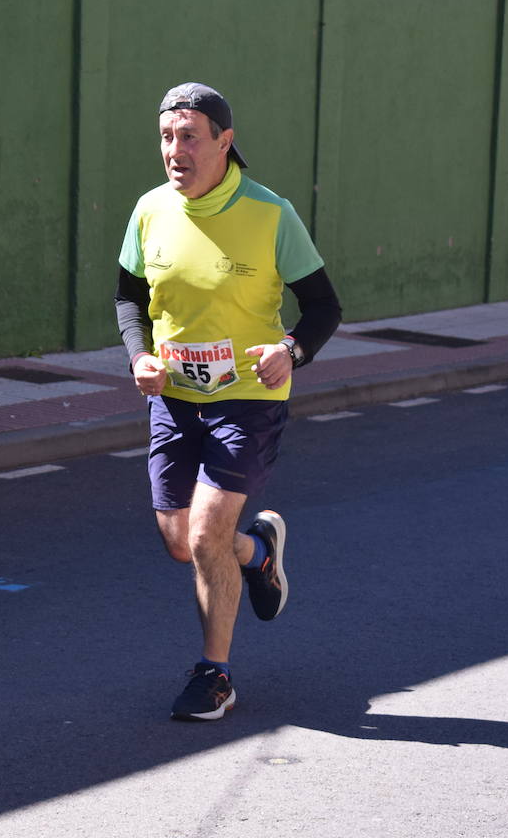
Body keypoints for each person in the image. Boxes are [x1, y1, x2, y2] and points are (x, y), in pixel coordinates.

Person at [115, 82, 342, 720]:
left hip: (247, 396)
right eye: (166, 137)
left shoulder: (271, 214)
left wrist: (291, 352)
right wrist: (139, 356)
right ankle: (260, 554)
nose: (175, 150)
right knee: (180, 540)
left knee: (208, 530)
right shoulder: (149, 211)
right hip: (175, 398)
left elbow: (323, 306)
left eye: (189, 136)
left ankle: (214, 673)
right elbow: (128, 297)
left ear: (224, 141)